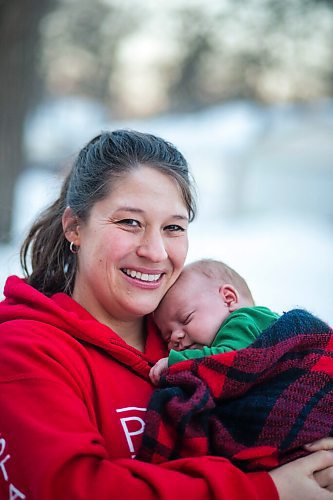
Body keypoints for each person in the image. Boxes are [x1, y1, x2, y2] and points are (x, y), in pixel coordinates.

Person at [0, 130, 333, 500]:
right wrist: (264, 491)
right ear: (74, 227)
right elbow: (72, 489)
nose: (156, 251)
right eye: (130, 222)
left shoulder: (195, 332)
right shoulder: (23, 352)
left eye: (173, 227)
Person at [150, 258, 279, 385]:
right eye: (167, 337)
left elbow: (230, 359)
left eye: (186, 318)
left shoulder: (244, 320)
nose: (174, 336)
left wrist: (176, 361)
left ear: (229, 299)